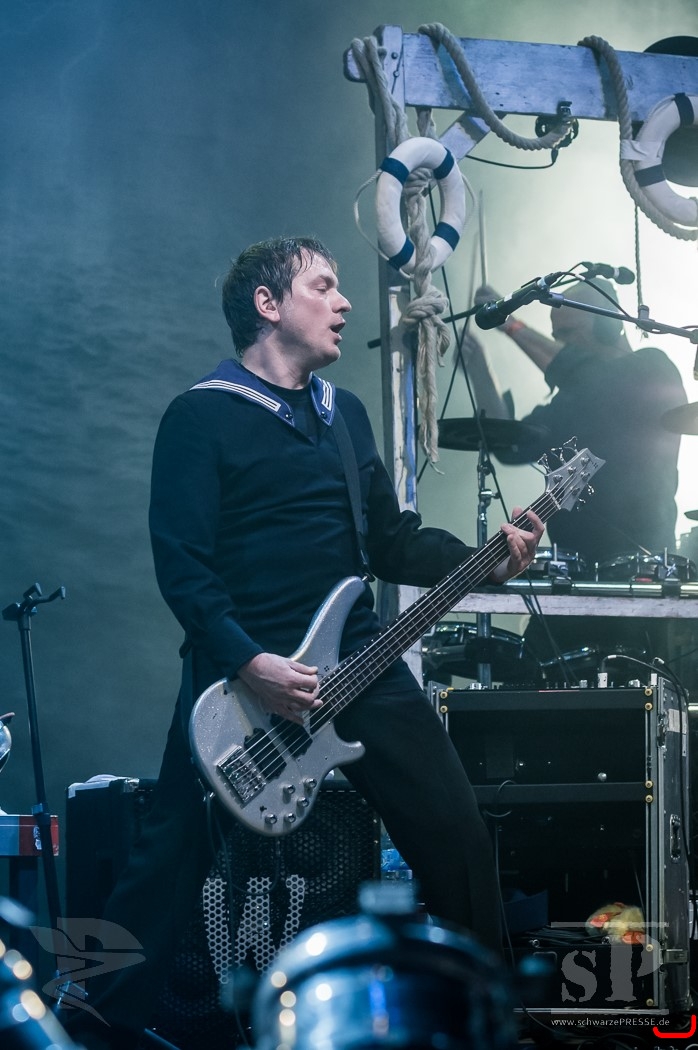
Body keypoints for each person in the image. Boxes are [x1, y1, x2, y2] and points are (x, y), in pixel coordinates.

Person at [63, 237, 543, 1049]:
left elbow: (389, 542)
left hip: (359, 663)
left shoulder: (342, 413)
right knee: (169, 856)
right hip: (240, 674)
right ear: (268, 303)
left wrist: (483, 559)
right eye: (323, 285)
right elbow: (182, 566)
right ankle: (93, 1020)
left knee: (457, 834)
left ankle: (486, 1018)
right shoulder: (200, 414)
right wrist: (249, 662)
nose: (344, 302)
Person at [461, 277, 687, 670]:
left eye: (569, 333)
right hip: (571, 575)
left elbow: (592, 381)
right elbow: (511, 444)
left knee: (636, 683)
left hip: (640, 574)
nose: (563, 345)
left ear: (609, 325)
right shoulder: (571, 401)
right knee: (535, 673)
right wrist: (478, 366)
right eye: (557, 336)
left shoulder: (651, 369)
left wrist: (509, 323)